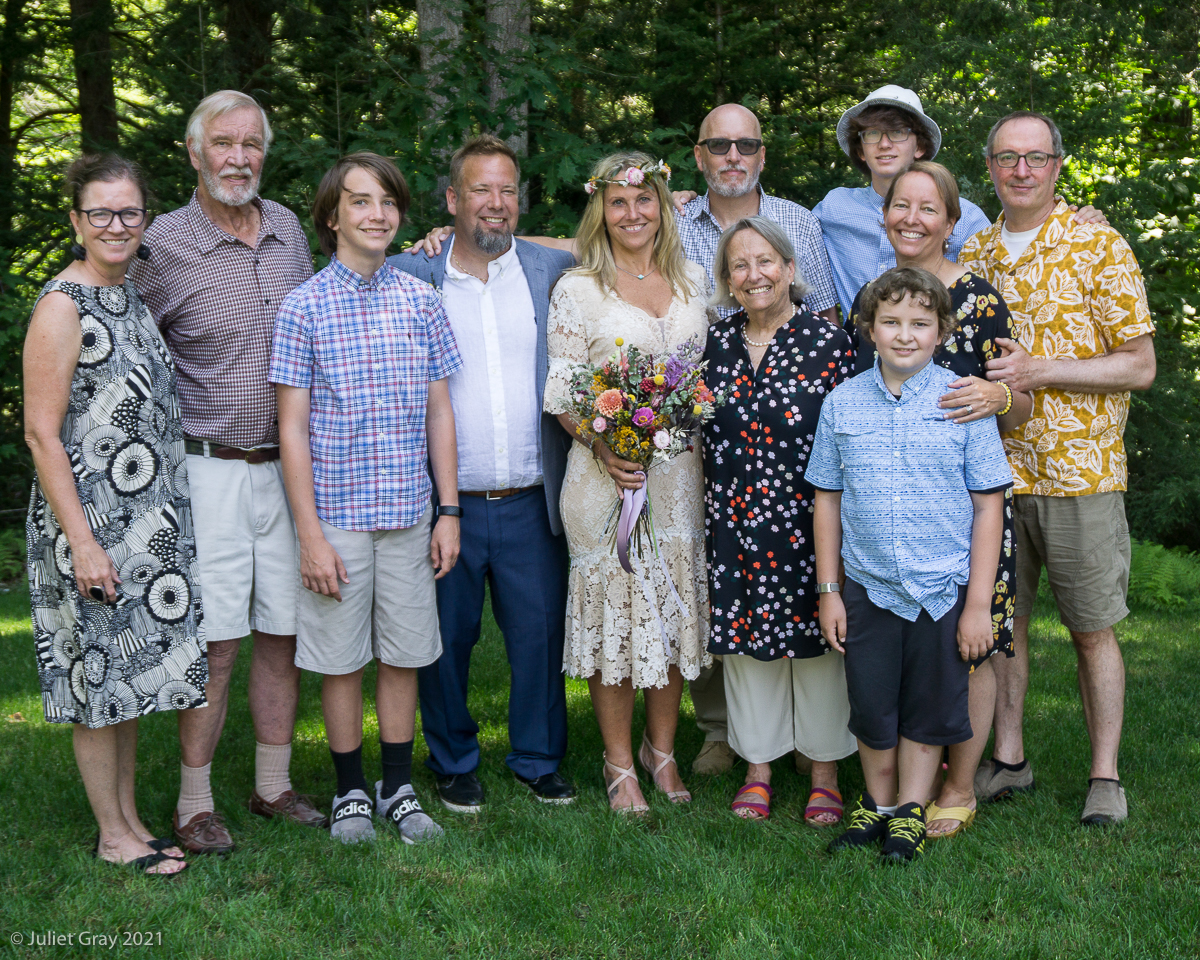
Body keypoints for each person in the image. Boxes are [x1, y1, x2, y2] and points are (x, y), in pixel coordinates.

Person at [128, 90, 324, 854]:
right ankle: (193, 805)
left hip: (290, 470)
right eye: (223, 143)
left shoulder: (288, 231)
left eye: (251, 143)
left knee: (282, 630)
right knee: (217, 641)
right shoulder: (161, 245)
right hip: (207, 470)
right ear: (194, 152)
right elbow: (119, 338)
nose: (238, 158)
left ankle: (273, 787)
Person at [960, 111, 1156, 825]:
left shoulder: (1097, 244)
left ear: (1057, 166)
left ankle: (1105, 775)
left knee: (1091, 627)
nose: (1021, 170)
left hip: (1080, 470)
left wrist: (1041, 369)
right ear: (990, 166)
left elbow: (1139, 365)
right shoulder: (976, 253)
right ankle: (1010, 758)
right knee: (1003, 623)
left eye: (1035, 157)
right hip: (993, 473)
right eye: (1007, 158)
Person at [24, 154, 208, 876]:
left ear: (144, 220)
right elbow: (41, 434)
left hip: (141, 523)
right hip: (91, 527)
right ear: (76, 221)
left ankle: (129, 820)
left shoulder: (127, 295)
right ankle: (111, 836)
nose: (115, 225)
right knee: (98, 678)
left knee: (125, 681)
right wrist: (83, 541)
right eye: (99, 212)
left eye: (129, 212)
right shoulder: (63, 306)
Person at [272, 152, 461, 844]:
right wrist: (310, 535)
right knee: (341, 660)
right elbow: (291, 429)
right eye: (360, 202)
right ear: (332, 216)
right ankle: (350, 789)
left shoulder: (421, 300)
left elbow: (440, 412)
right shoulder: (303, 306)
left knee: (404, 655)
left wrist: (448, 510)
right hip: (337, 520)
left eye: (387, 202)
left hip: (410, 515)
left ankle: (397, 788)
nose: (377, 215)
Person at [387, 135, 577, 813]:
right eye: (480, 190)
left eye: (507, 190)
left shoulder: (551, 269)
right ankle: (452, 758)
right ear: (451, 199)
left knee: (539, 634)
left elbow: (615, 238)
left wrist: (671, 200)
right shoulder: (414, 275)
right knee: (446, 638)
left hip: (531, 493)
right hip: (448, 499)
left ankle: (537, 757)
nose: (495, 203)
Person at [846, 160, 1034, 838]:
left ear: (951, 222)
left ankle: (959, 787)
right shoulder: (874, 298)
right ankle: (900, 789)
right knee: (900, 647)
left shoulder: (980, 300)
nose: (913, 218)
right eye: (902, 205)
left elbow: (1022, 406)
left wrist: (1000, 394)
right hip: (890, 512)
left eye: (929, 208)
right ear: (884, 214)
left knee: (969, 645)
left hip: (968, 508)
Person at [808, 267, 1011, 861]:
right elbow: (827, 498)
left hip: (940, 586)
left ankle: (910, 810)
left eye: (920, 323)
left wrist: (978, 605)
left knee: (928, 704)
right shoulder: (842, 403)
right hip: (866, 584)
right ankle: (876, 803)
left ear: (941, 331)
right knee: (871, 700)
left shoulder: (963, 400)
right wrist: (829, 590)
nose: (904, 335)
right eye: (891, 322)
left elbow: (989, 506)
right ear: (869, 329)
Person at [543, 151, 711, 813]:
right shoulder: (578, 289)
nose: (633, 213)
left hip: (680, 476)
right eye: (618, 202)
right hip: (604, 476)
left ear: (663, 207)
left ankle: (661, 752)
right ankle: (619, 763)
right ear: (600, 209)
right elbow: (563, 392)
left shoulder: (695, 279)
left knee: (670, 612)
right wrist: (603, 445)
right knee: (617, 617)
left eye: (645, 200)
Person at [701, 216, 856, 824]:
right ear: (727, 279)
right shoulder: (717, 343)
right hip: (736, 522)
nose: (754, 274)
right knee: (746, 645)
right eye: (739, 265)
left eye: (765, 261)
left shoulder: (829, 343)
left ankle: (824, 771)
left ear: (790, 269)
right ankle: (758, 767)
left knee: (821, 644)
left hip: (810, 520)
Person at [813, 84, 1104, 320]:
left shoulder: (965, 218)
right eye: (872, 134)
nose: (884, 143)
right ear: (860, 150)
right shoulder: (835, 208)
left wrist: (1069, 219)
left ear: (920, 146)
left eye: (898, 132)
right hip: (860, 356)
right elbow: (792, 235)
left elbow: (1013, 262)